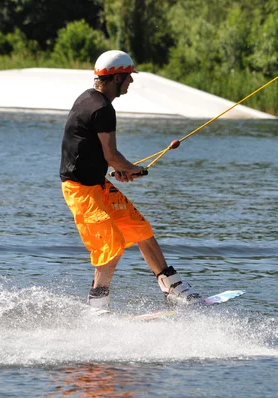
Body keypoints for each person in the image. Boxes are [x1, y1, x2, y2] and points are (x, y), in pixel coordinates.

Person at [60, 50, 201, 310]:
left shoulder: (91, 99)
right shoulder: (102, 108)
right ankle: (97, 305)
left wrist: (118, 170)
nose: (131, 82)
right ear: (116, 78)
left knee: (141, 229)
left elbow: (95, 152)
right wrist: (130, 168)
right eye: (128, 77)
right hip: (80, 191)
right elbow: (112, 155)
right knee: (111, 245)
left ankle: (172, 287)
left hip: (97, 185)